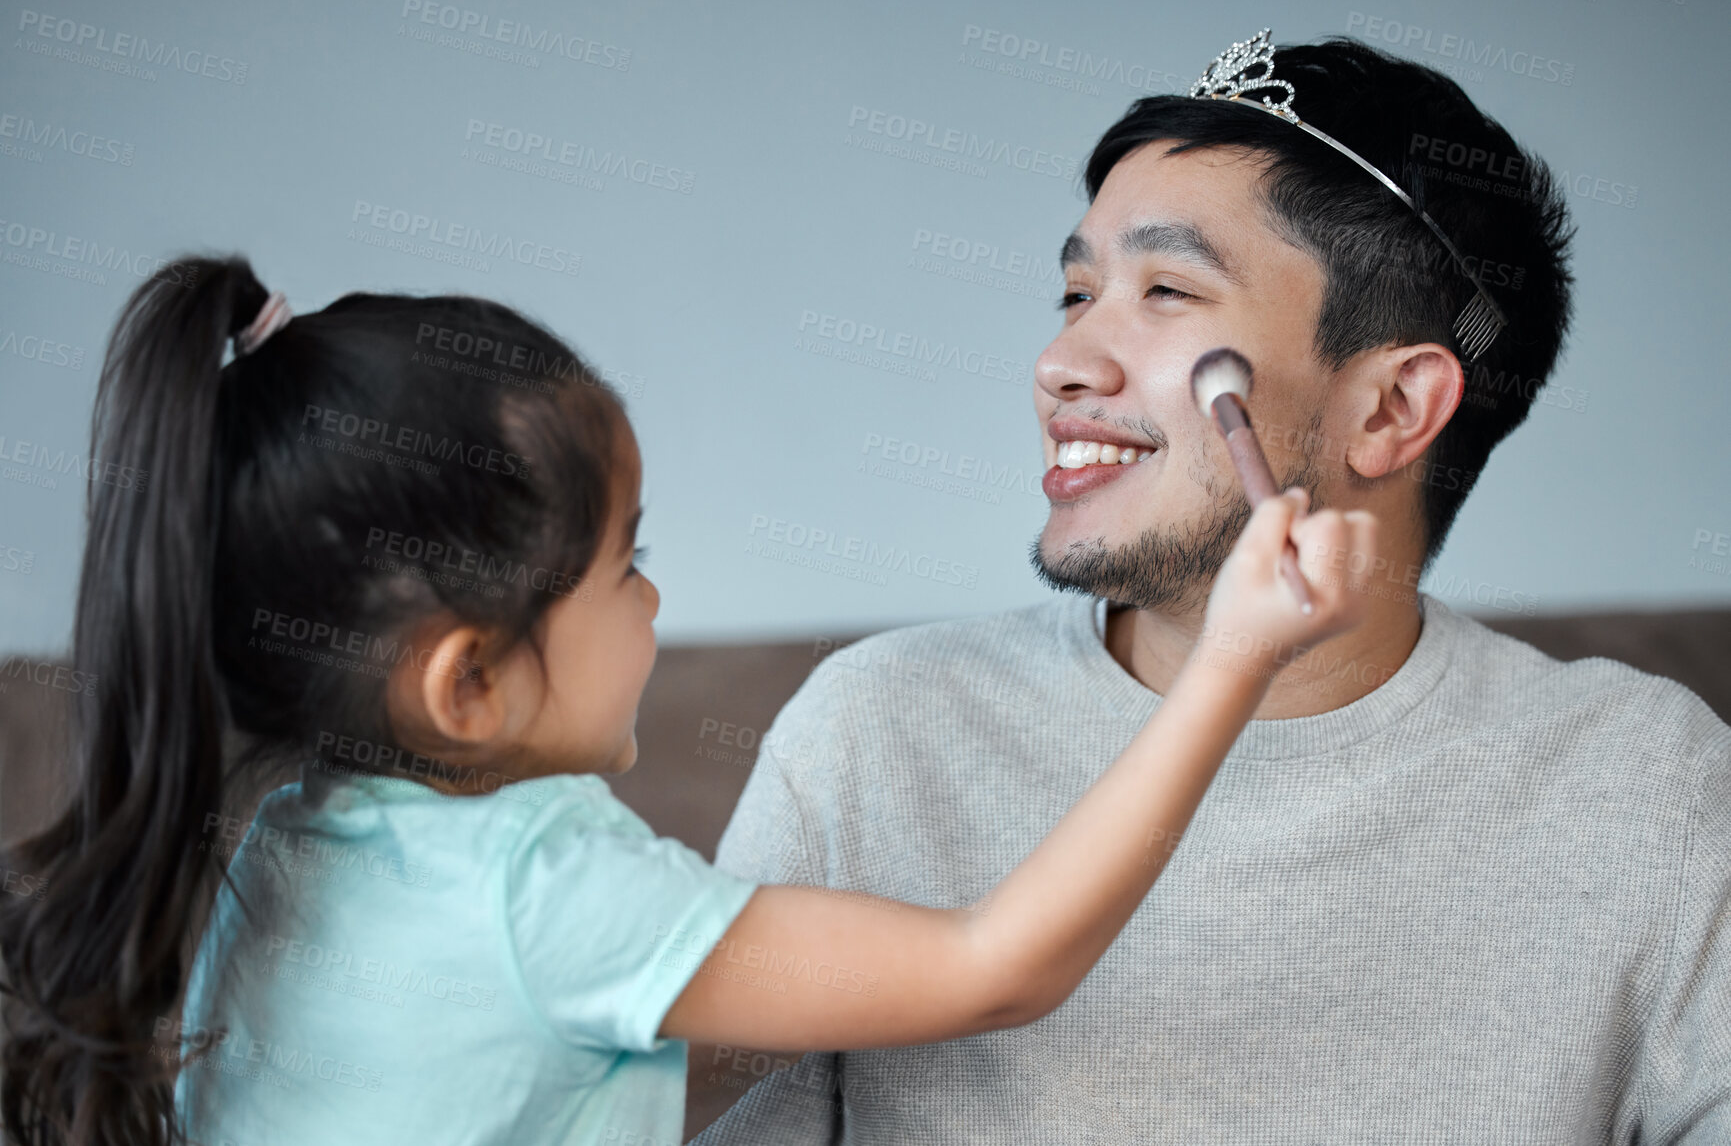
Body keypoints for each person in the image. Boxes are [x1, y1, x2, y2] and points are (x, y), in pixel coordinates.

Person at [0, 256, 1376, 1146]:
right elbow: (995, 963)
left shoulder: (282, 837)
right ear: (468, 683)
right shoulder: (545, 884)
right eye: (625, 563)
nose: (656, 601)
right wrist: (1227, 661)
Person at [694, 32, 1731, 1145]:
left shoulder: (1643, 785)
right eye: (1076, 290)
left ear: (1389, 411)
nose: (1064, 363)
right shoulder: (879, 733)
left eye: (1166, 290)